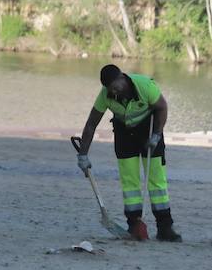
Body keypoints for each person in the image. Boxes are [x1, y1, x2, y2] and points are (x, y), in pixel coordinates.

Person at [76, 64, 181, 242]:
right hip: (124, 132)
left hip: (149, 128)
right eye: (109, 88)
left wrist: (156, 136)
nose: (113, 91)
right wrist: (83, 155)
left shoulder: (145, 86)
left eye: (115, 86)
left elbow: (162, 107)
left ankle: (165, 227)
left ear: (122, 78)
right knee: (129, 181)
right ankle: (134, 225)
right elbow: (91, 124)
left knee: (156, 180)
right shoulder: (105, 95)